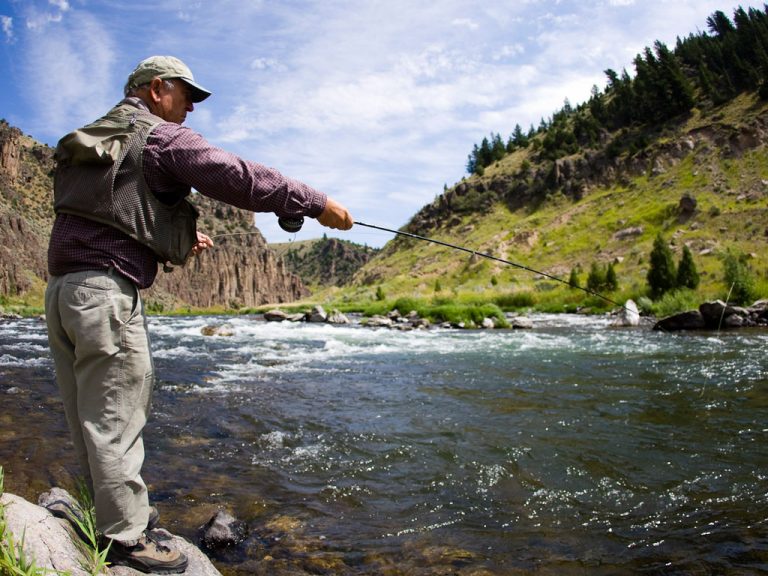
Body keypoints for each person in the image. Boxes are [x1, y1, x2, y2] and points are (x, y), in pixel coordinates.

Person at [44, 55, 353, 573]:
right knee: (118, 417)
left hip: (62, 293)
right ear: (157, 88)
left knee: (88, 418)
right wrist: (317, 202)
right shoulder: (160, 136)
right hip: (105, 296)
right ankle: (126, 538)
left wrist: (182, 236)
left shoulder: (99, 136)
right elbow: (235, 175)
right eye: (187, 94)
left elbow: (113, 212)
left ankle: (108, 515)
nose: (190, 107)